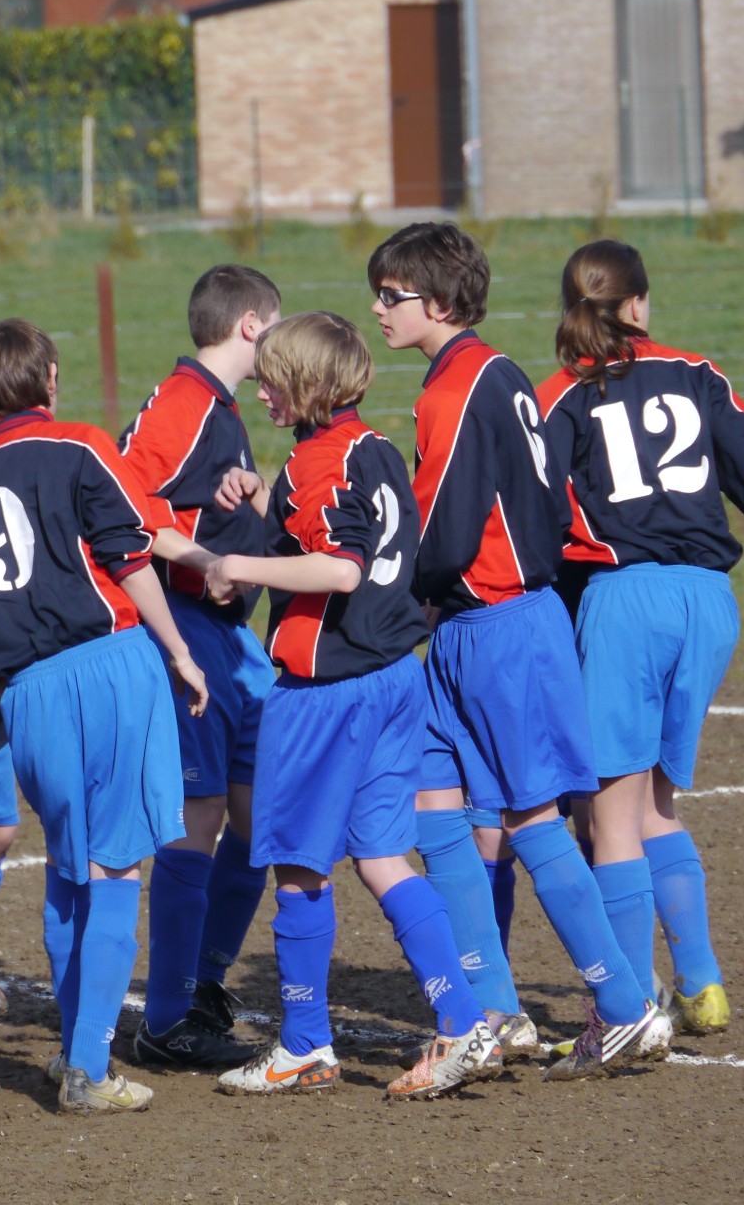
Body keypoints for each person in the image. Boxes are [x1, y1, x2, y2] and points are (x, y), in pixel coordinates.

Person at [539, 239, 744, 1037]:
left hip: (624, 602)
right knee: (655, 803)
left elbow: (537, 517)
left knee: (608, 817)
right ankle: (700, 983)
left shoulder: (558, 397)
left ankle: (627, 1007)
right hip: (708, 603)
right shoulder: (697, 373)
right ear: (638, 304)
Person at [367, 221, 658, 1081]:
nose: (378, 310)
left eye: (391, 296)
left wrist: (388, 597)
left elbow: (443, 531)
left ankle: (625, 1006)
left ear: (439, 302)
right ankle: (491, 1010)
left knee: (531, 818)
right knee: (434, 803)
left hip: (498, 627)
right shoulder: (493, 371)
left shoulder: (455, 388)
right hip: (475, 629)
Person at [205, 312, 501, 1100]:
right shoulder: (369, 448)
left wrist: (236, 562)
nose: (260, 391)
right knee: (381, 858)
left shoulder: (317, 462)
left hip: (326, 691)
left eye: (272, 379)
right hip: (393, 678)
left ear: (305, 384)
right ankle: (463, 1022)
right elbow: (342, 530)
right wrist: (264, 500)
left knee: (299, 869)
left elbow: (338, 568)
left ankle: (304, 1045)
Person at [0, 319, 210, 1115]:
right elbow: (130, 555)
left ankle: (70, 1049)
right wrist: (179, 651)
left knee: (68, 865)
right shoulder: (81, 444)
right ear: (49, 380)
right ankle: (88, 1069)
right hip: (109, 666)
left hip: (25, 695)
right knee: (117, 869)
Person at [115, 263, 281, 1072]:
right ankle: (168, 1015)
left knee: (258, 815)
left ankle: (205, 982)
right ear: (251, 325)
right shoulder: (182, 400)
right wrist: (197, 550)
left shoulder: (221, 408)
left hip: (232, 639)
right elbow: (120, 502)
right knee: (200, 813)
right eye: (275, 325)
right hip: (184, 628)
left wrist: (241, 500)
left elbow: (179, 503)